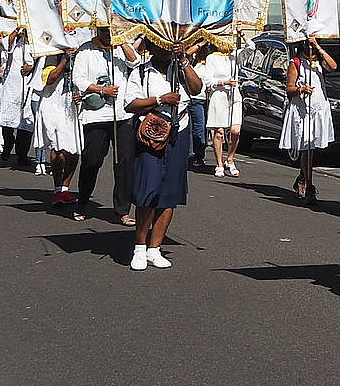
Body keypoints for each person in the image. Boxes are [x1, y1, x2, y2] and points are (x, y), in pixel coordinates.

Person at [122, 40, 202, 271]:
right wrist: (159, 100)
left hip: (179, 130)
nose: (166, 49)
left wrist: (184, 60)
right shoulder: (140, 72)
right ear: (151, 46)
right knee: (148, 190)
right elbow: (131, 104)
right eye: (161, 44)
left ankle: (155, 249)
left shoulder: (181, 68)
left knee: (170, 192)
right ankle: (139, 247)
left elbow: (196, 89)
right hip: (152, 133)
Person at [72, 28, 136, 222]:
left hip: (123, 115)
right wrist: (102, 89)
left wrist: (122, 39)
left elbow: (135, 62)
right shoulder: (86, 50)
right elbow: (78, 79)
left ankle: (123, 210)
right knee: (92, 160)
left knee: (124, 163)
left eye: (111, 29)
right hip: (96, 115)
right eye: (105, 30)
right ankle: (82, 201)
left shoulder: (121, 48)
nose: (108, 33)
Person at [281, 38, 338, 206]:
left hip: (318, 108)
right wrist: (301, 89)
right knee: (306, 148)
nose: (310, 47)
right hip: (303, 109)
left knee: (311, 148)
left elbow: (334, 66)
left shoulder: (320, 61)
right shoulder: (296, 63)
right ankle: (309, 184)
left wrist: (318, 48)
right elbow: (289, 87)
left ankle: (302, 178)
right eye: (308, 44)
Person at [35, 50, 80, 207]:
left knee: (74, 148)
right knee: (58, 148)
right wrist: (65, 60)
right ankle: (57, 188)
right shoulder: (51, 54)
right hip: (54, 104)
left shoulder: (82, 52)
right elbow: (49, 79)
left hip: (74, 104)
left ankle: (65, 188)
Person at [197, 42, 243, 177]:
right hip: (219, 95)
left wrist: (241, 36)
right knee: (219, 132)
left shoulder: (234, 56)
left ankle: (230, 159)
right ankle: (219, 164)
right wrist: (223, 82)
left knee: (236, 131)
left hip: (234, 96)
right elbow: (208, 80)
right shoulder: (212, 58)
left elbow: (250, 48)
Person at [0, 31, 36, 167]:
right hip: (12, 84)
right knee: (7, 118)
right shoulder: (16, 41)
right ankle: (8, 142)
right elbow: (6, 44)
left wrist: (32, 66)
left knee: (27, 121)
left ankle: (22, 155)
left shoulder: (40, 39)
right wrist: (18, 29)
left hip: (31, 83)